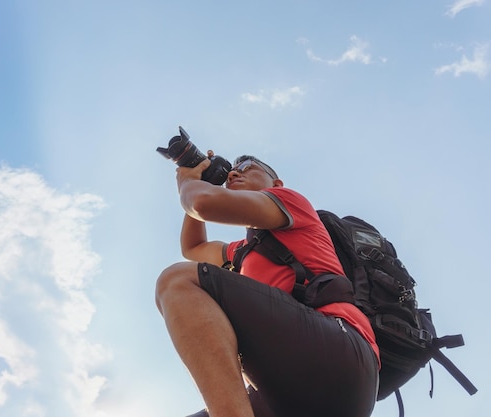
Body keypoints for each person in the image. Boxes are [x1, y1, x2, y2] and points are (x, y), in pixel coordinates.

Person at [155, 154, 380, 417]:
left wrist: (188, 182)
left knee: (178, 281)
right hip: (291, 388)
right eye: (230, 173)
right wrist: (209, 182)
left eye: (246, 168)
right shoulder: (242, 251)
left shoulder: (292, 202)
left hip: (338, 354)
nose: (234, 174)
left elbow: (203, 203)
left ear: (277, 183)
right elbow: (193, 248)